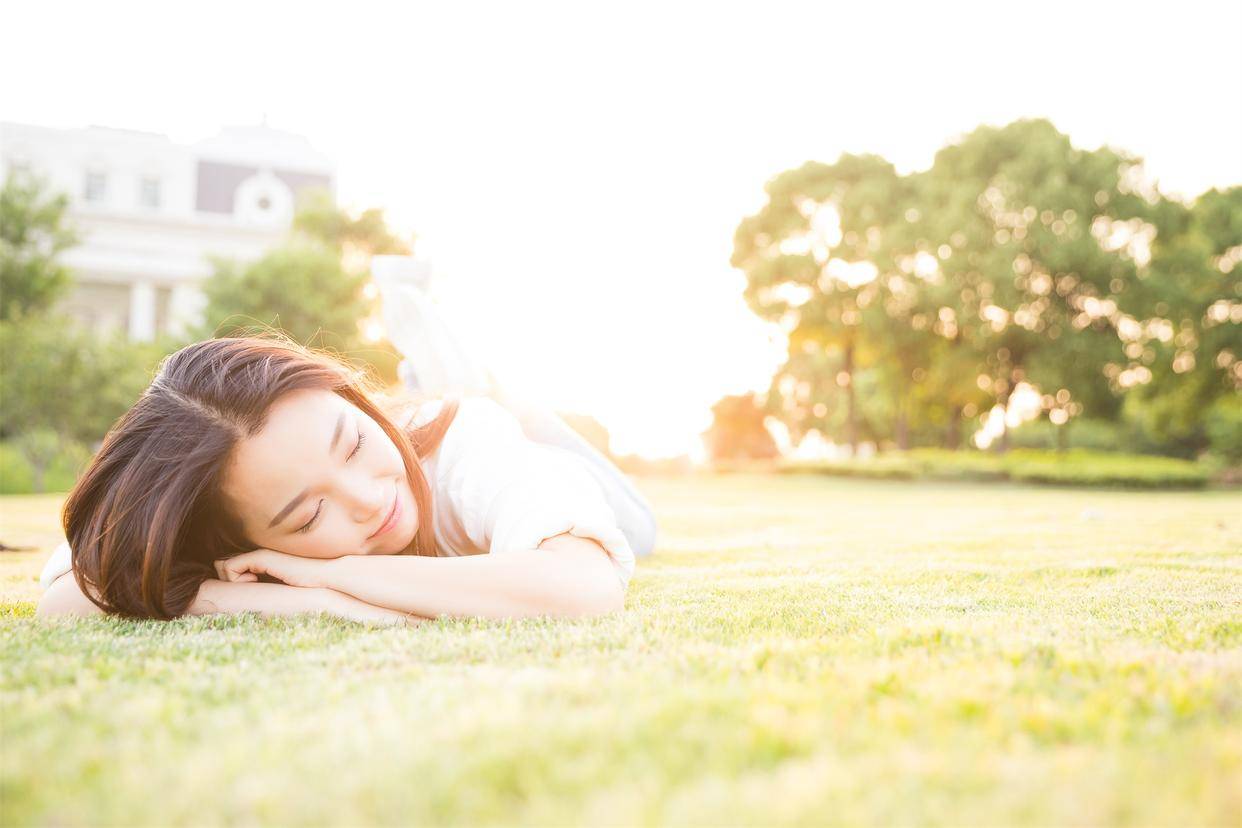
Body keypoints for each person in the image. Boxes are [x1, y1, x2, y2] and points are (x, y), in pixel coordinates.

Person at [36, 264, 657, 624]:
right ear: (240, 541)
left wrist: (328, 574)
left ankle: (485, 388)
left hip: (509, 442)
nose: (366, 499)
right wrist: (274, 602)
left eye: (353, 442)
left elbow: (583, 587)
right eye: (308, 515)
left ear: (351, 397)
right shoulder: (215, 510)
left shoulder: (468, 446)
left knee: (636, 527)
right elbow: (67, 599)